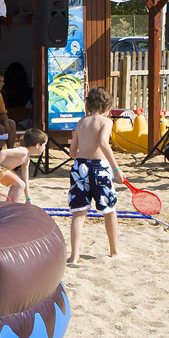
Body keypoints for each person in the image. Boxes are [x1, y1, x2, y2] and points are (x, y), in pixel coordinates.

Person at [65, 87, 121, 262]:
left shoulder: (81, 122)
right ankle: (115, 251)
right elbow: (103, 143)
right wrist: (116, 168)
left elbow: (72, 151)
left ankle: (74, 256)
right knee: (109, 210)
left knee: (78, 212)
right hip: (99, 168)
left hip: (79, 167)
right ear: (107, 107)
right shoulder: (106, 122)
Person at [0, 126, 49, 203]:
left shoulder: (26, 159)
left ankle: (8, 204)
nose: (45, 148)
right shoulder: (23, 151)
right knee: (20, 185)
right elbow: (3, 152)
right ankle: (12, 207)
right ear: (38, 145)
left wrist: (28, 198)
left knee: (18, 183)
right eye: (44, 145)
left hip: (0, 168)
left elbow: (25, 179)